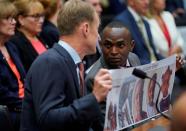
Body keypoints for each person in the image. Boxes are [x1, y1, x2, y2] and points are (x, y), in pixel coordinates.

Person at [20, 0, 112, 131]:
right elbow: (48, 119)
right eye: (97, 29)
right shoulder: (50, 62)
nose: (99, 37)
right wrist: (94, 98)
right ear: (85, 29)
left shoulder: (73, 62)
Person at [85, 21, 140, 127]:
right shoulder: (94, 78)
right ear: (101, 45)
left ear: (131, 46)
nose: (114, 51)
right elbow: (106, 124)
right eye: (108, 45)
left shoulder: (134, 58)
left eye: (120, 45)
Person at [0, 1, 26, 131]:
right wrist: (27, 103)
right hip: (9, 113)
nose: (14, 22)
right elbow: (2, 93)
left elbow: (24, 80)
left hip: (23, 108)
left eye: (14, 18)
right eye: (7, 18)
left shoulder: (12, 46)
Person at [115, 0, 163, 65]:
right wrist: (151, 65)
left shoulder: (145, 23)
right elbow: (125, 57)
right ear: (131, 1)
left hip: (155, 68)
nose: (147, 2)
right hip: (141, 71)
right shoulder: (121, 22)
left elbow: (153, 53)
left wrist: (171, 60)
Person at [9, 0, 48, 72]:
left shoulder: (41, 37)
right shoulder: (15, 43)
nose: (41, 20)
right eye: (36, 16)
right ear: (21, 19)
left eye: (42, 16)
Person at [83, 0, 103, 70]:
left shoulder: (102, 30)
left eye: (100, 4)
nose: (100, 9)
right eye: (94, 5)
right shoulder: (80, 39)